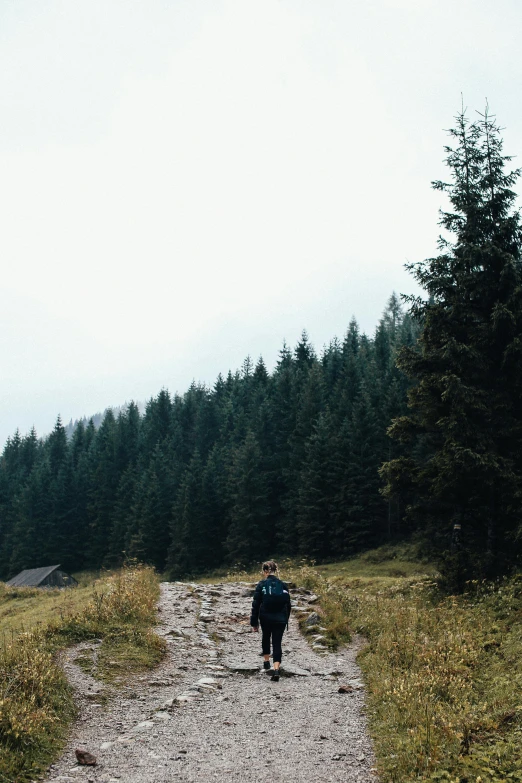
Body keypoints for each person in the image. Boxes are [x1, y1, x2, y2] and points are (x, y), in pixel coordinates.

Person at [250, 560, 291, 682]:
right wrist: (286, 619)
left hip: (265, 617)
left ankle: (266, 662)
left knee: (266, 637)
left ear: (265, 571)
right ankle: (277, 669)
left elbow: (256, 604)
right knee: (277, 642)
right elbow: (288, 604)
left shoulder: (262, 584)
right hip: (280, 619)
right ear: (275, 570)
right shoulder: (282, 585)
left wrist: (254, 622)